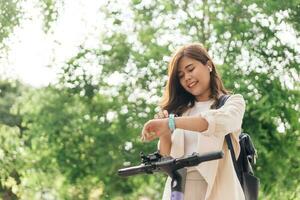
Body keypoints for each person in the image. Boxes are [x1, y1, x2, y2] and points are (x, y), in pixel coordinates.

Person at [140, 42, 246, 200]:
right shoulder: (180, 112)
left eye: (190, 69)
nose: (187, 78)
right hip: (178, 190)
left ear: (208, 65)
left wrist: (172, 123)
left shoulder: (232, 103)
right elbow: (166, 157)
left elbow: (213, 123)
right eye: (181, 76)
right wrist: (164, 133)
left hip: (218, 190)